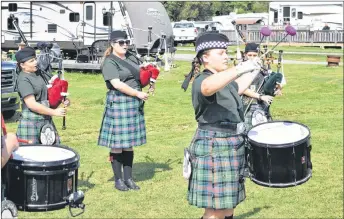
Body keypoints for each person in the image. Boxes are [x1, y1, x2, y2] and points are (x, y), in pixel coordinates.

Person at [182, 32, 262, 219]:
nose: (226, 56)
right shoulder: (203, 80)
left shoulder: (224, 80)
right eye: (220, 53)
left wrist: (254, 69)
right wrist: (239, 68)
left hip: (231, 145)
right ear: (205, 58)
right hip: (214, 146)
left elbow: (238, 87)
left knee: (228, 207)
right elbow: (208, 87)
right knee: (214, 211)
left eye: (226, 52)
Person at [98, 30, 148, 191]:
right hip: (119, 102)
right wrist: (137, 93)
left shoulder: (131, 57)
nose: (125, 45)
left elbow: (139, 74)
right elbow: (117, 84)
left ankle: (129, 179)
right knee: (117, 144)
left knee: (129, 144)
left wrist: (149, 76)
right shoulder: (109, 62)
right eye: (121, 42)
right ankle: (118, 180)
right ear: (112, 44)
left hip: (134, 103)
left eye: (126, 42)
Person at [15, 47, 69, 145]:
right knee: (32, 157)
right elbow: (31, 104)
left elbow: (50, 93)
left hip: (45, 120)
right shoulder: (23, 79)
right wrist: (53, 112)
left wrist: (61, 99)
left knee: (51, 155)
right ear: (22, 65)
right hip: (31, 123)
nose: (35, 62)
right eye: (31, 61)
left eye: (35, 59)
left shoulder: (39, 74)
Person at [241, 43, 275, 130]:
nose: (252, 57)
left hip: (262, 106)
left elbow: (267, 85)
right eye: (249, 55)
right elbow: (241, 88)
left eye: (255, 55)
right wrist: (260, 96)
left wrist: (276, 88)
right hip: (247, 106)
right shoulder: (240, 69)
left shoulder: (262, 69)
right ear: (245, 55)